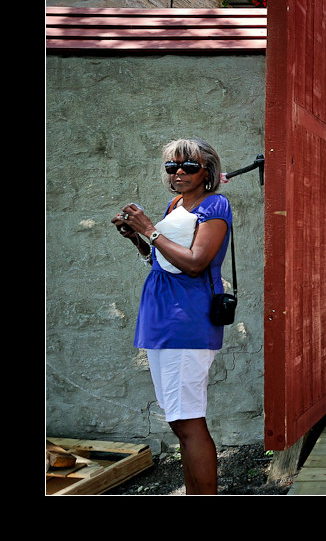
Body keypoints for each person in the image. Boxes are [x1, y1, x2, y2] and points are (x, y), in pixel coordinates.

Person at [111, 138, 232, 495]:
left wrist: (149, 227)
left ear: (207, 171)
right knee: (178, 421)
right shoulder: (176, 204)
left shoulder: (215, 205)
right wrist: (136, 238)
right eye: (172, 167)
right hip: (161, 317)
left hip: (187, 319)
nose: (178, 172)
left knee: (190, 420)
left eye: (188, 166)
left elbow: (195, 263)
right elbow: (164, 262)